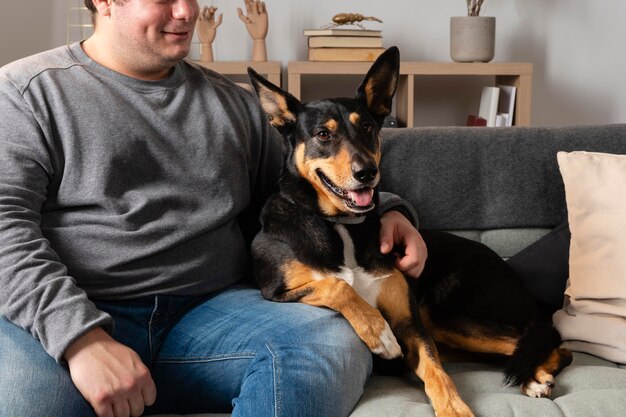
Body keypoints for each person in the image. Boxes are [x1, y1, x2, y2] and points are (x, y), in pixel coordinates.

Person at [0, 1, 427, 416]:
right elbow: (5, 231)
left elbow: (298, 184)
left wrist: (390, 211)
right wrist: (81, 340)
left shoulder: (234, 104)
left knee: (330, 349)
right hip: (75, 306)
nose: (186, 11)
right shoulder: (26, 93)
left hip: (210, 313)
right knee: (25, 403)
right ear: (104, 1)